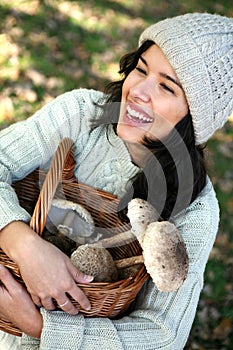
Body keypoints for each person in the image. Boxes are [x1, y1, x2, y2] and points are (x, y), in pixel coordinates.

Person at [0, 12, 232, 350]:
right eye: (141, 69)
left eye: (166, 87)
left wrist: (39, 326)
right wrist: (23, 243)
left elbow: (164, 335)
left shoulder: (196, 209)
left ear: (193, 118)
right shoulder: (80, 115)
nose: (138, 90)